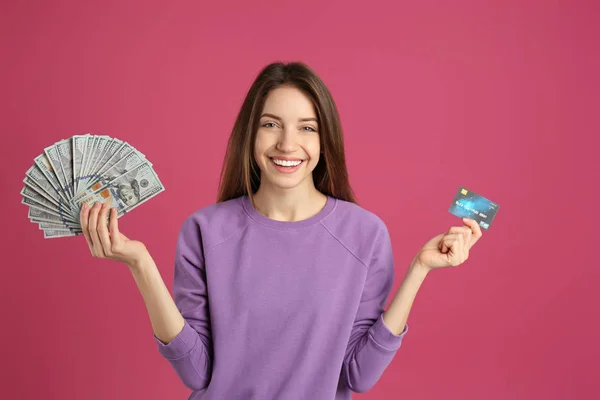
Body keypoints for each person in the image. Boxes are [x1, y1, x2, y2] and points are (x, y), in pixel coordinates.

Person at [79, 61, 483, 400]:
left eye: (307, 128)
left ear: (326, 140)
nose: (287, 144)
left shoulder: (365, 234)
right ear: (250, 135)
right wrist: (140, 265)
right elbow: (196, 373)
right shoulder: (204, 230)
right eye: (271, 124)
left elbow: (359, 374)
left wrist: (420, 269)